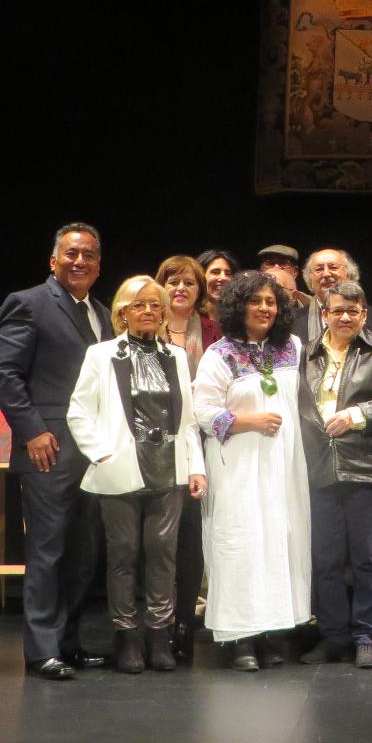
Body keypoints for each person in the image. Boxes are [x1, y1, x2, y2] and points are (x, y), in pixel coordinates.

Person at [0, 222, 115, 681]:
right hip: (48, 446)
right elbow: (5, 374)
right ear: (53, 260)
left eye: (88, 255)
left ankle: (69, 642)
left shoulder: (103, 313)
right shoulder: (28, 303)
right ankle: (41, 648)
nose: (79, 261)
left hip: (94, 449)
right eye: (71, 253)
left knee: (84, 551)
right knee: (48, 548)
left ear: (99, 266)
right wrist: (32, 432)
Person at [68, 276, 208, 674]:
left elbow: (189, 420)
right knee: (124, 555)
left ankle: (158, 635)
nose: (148, 311)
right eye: (139, 305)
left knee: (163, 555)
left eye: (155, 305)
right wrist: (101, 453)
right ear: (122, 312)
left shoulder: (177, 356)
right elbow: (79, 410)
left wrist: (195, 466)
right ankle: (127, 637)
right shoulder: (101, 354)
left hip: (169, 467)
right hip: (122, 468)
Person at [192, 271, 311, 671]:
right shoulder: (220, 354)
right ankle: (240, 637)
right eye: (255, 301)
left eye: (271, 302)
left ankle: (272, 629)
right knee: (241, 545)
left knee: (278, 543)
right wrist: (249, 422)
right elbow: (203, 412)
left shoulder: (292, 347)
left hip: (283, 465)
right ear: (237, 307)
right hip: (237, 465)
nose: (264, 308)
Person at [298, 281, 372, 668]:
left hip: (367, 470)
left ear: (364, 315)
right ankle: (332, 635)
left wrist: (357, 415)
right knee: (325, 558)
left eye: (353, 311)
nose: (345, 317)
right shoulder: (307, 355)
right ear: (324, 313)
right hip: (317, 470)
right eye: (337, 310)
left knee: (369, 557)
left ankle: (368, 635)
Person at [159, 254, 225, 659]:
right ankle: (159, 622)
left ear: (200, 291)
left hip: (208, 443)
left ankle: (185, 621)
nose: (180, 288)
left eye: (189, 282)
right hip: (158, 444)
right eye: (172, 281)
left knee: (194, 538)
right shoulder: (146, 326)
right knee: (159, 538)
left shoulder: (215, 331)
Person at [299, 248, 372, 341]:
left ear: (348, 274)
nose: (326, 274)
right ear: (310, 279)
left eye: (333, 267)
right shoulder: (295, 321)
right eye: (319, 269)